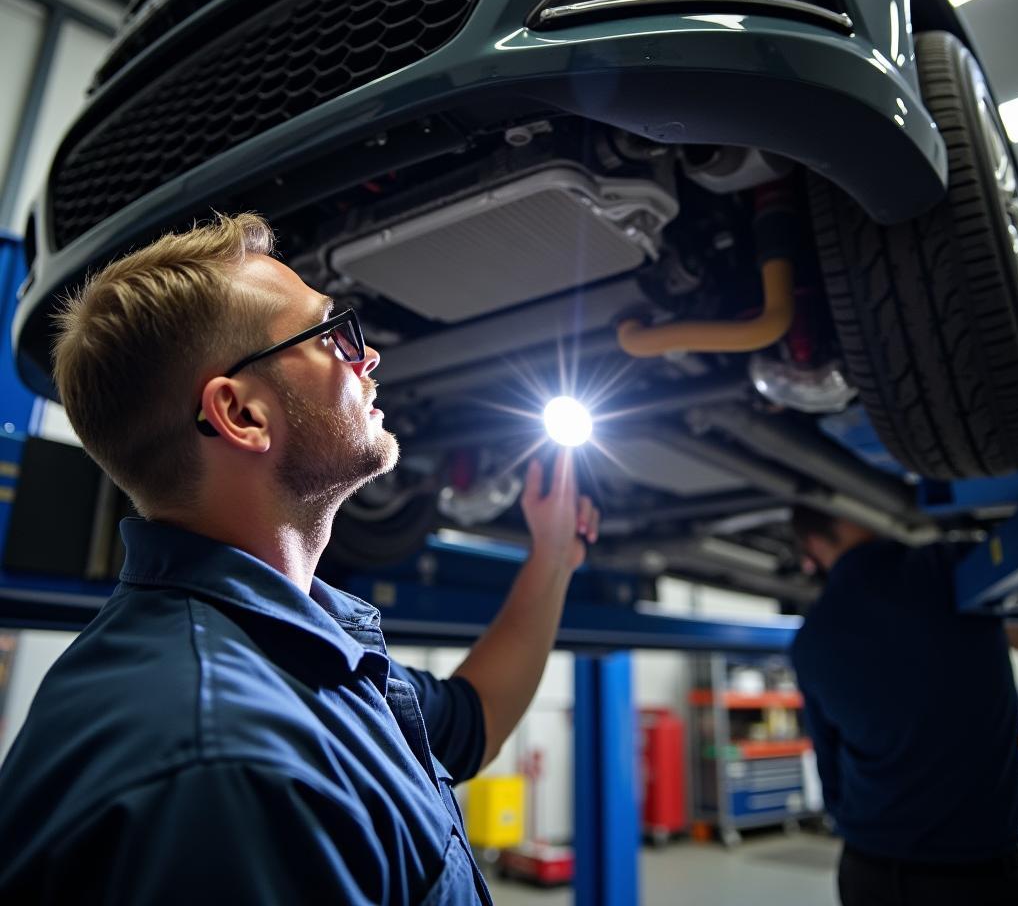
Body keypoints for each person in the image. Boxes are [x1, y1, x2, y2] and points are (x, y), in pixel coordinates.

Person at [0, 212, 600, 905]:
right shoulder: (230, 767)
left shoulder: (294, 646)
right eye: (331, 334)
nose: (366, 357)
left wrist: (552, 556)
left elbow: (469, 723)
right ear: (242, 414)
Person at [790, 505, 1018, 906]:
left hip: (868, 866)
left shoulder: (810, 638)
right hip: (972, 872)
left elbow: (828, 760)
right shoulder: (947, 568)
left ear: (812, 545)